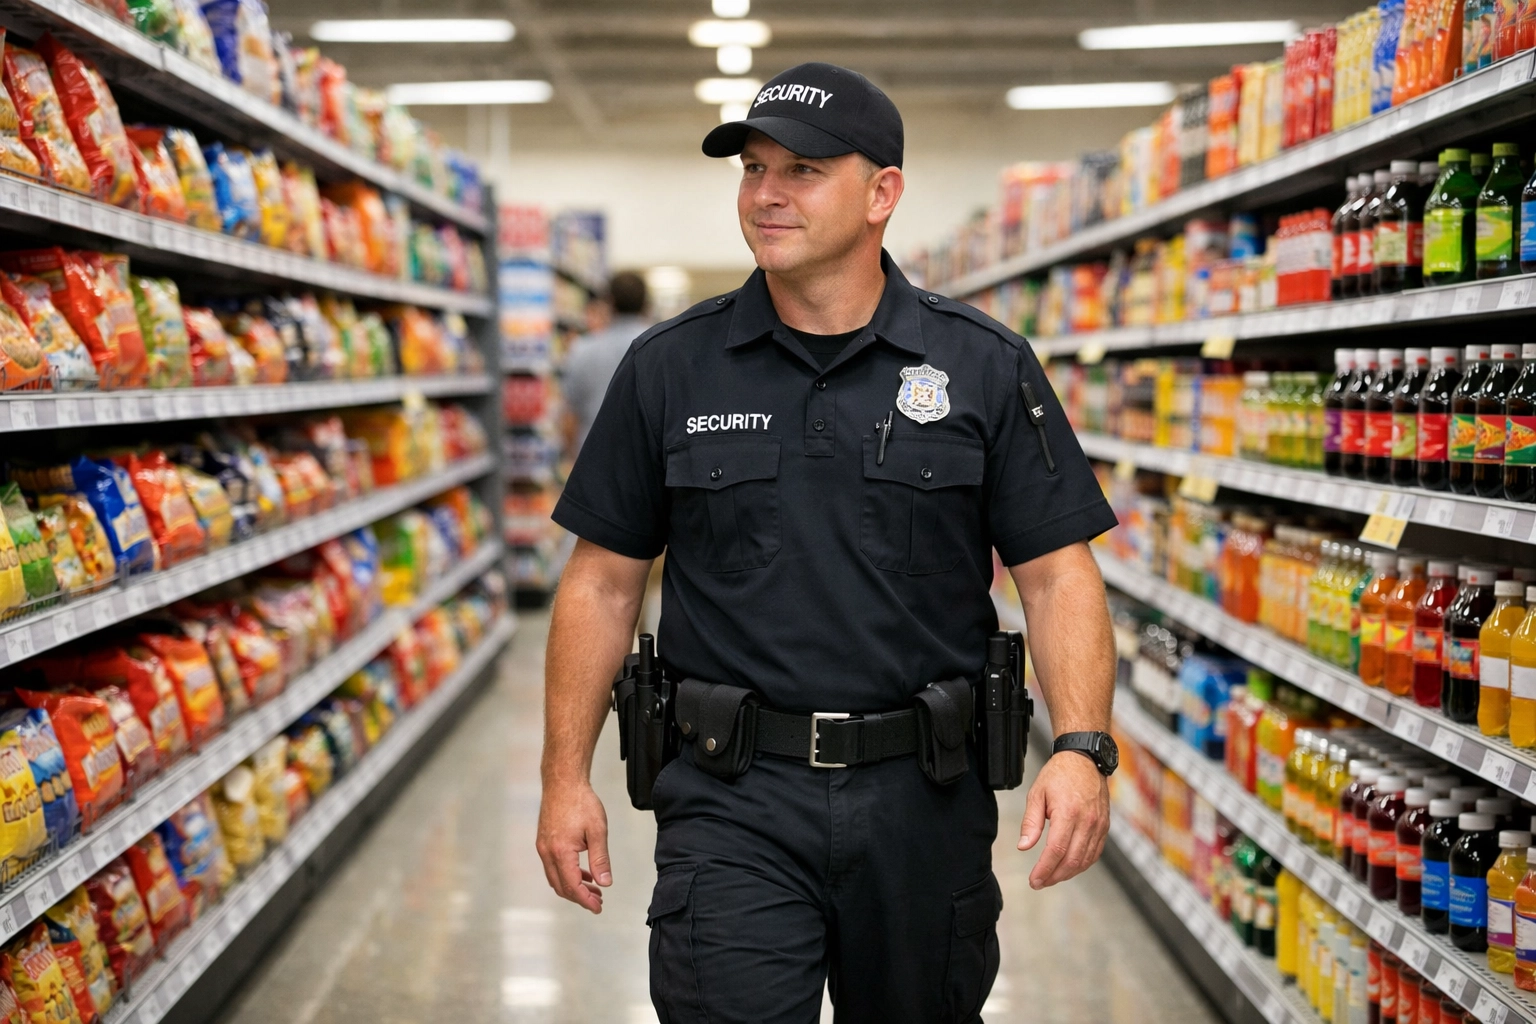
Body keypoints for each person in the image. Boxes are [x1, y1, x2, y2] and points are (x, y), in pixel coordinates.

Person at [536, 61, 1120, 1023]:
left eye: (803, 170)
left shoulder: (979, 365)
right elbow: (600, 583)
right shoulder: (669, 369)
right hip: (730, 799)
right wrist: (565, 779)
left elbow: (1058, 575)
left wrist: (1084, 747)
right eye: (753, 168)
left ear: (882, 192)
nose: (766, 194)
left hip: (924, 802)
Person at [562, 270, 650, 455]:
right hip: (646, 460)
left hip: (593, 457)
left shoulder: (582, 350)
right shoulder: (661, 347)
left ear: (610, 303)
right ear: (645, 305)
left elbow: (570, 415)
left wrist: (571, 459)